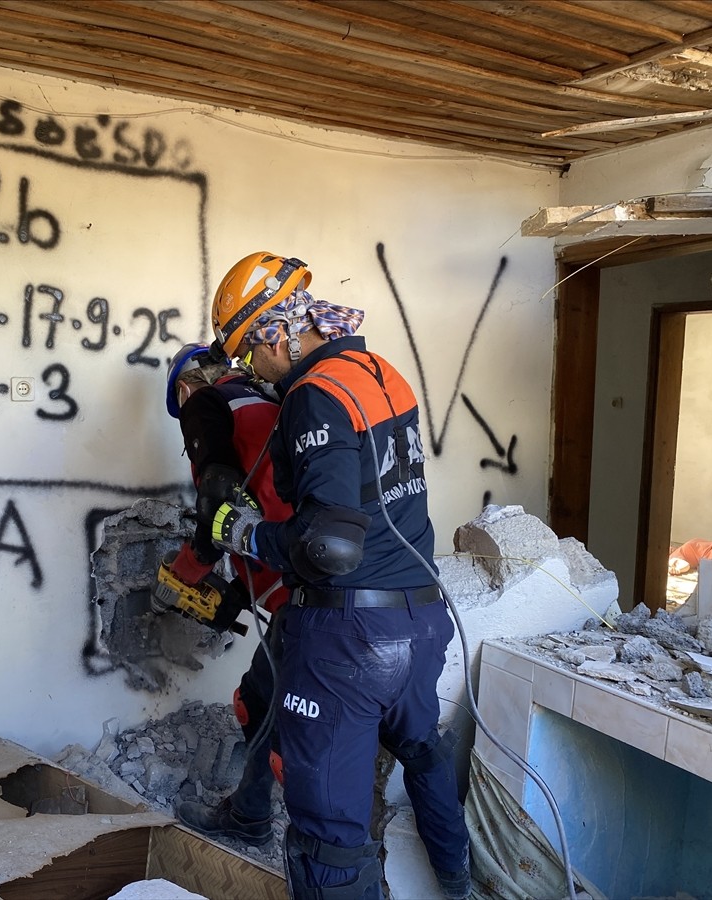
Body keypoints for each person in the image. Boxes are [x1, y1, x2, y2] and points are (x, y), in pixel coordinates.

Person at [206, 253, 470, 900]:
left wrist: (241, 534)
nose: (250, 373)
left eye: (248, 356)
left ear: (274, 333)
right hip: (420, 618)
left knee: (326, 829)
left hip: (351, 638)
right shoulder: (381, 372)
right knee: (422, 755)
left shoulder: (313, 395)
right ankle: (460, 887)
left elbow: (328, 546)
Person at [156, 342, 293, 846]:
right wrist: (238, 587)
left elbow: (218, 520)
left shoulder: (206, 407)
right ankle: (252, 815)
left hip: (300, 596)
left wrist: (184, 575)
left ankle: (312, 846)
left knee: (276, 720)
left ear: (186, 389)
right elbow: (264, 498)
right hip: (319, 577)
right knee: (258, 700)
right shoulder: (267, 399)